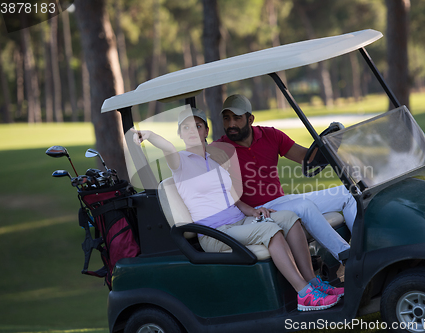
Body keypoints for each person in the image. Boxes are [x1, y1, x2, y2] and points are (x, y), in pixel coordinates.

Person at [132, 107, 343, 311]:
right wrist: (149, 134)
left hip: (239, 221)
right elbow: (167, 147)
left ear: (205, 131)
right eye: (185, 128)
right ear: (180, 134)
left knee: (289, 218)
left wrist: (253, 211)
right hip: (215, 233)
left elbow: (231, 197)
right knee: (269, 230)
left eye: (197, 126)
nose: (192, 131)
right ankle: (304, 293)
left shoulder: (214, 161)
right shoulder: (179, 162)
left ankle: (313, 282)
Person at [213, 94, 358, 262]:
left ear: (250, 119)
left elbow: (307, 159)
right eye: (226, 118)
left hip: (281, 201)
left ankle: (365, 248)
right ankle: (349, 258)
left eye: (237, 118)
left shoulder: (271, 135)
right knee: (304, 206)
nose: (231, 124)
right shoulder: (218, 150)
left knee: (349, 192)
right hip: (255, 212)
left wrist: (330, 143)